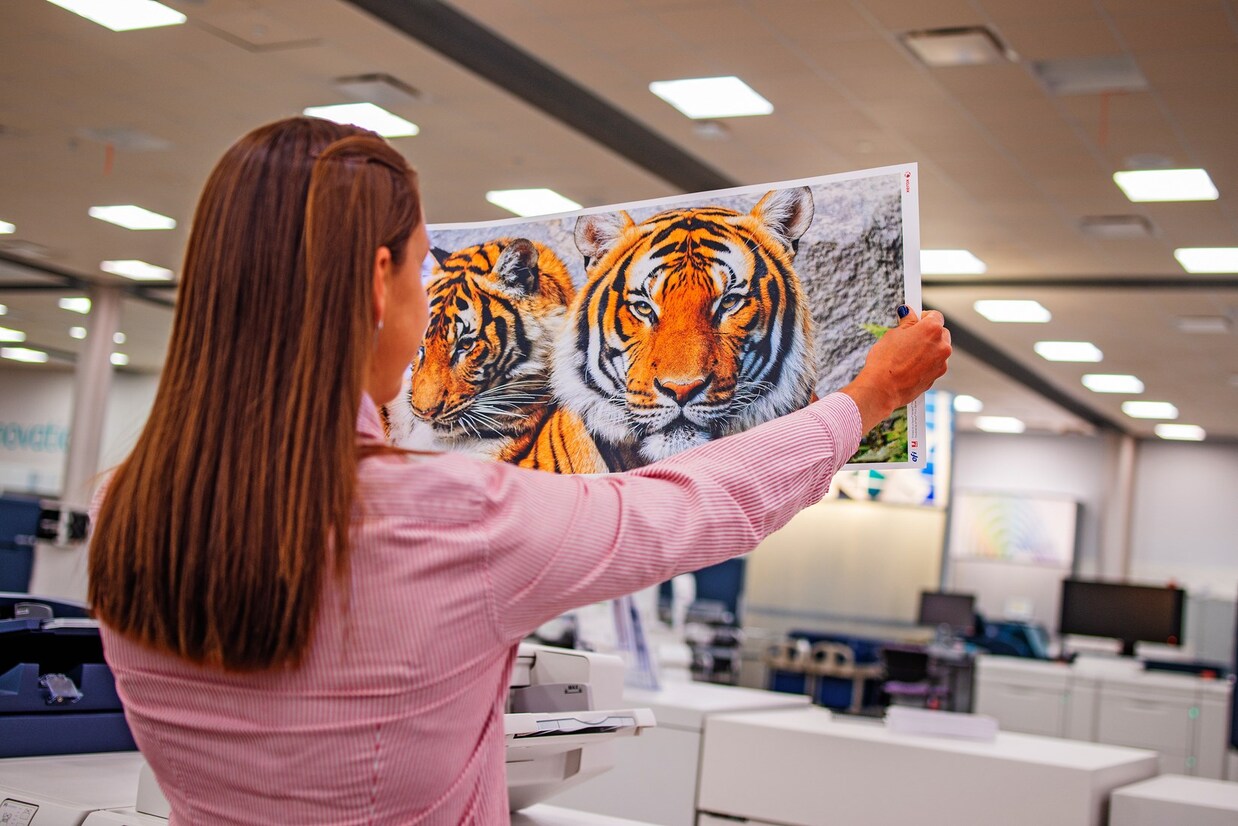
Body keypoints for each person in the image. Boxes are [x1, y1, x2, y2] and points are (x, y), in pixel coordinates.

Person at [88, 116, 951, 825]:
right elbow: (695, 503)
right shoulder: (457, 515)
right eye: (425, 269)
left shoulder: (122, 510)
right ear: (381, 280)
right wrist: (868, 397)